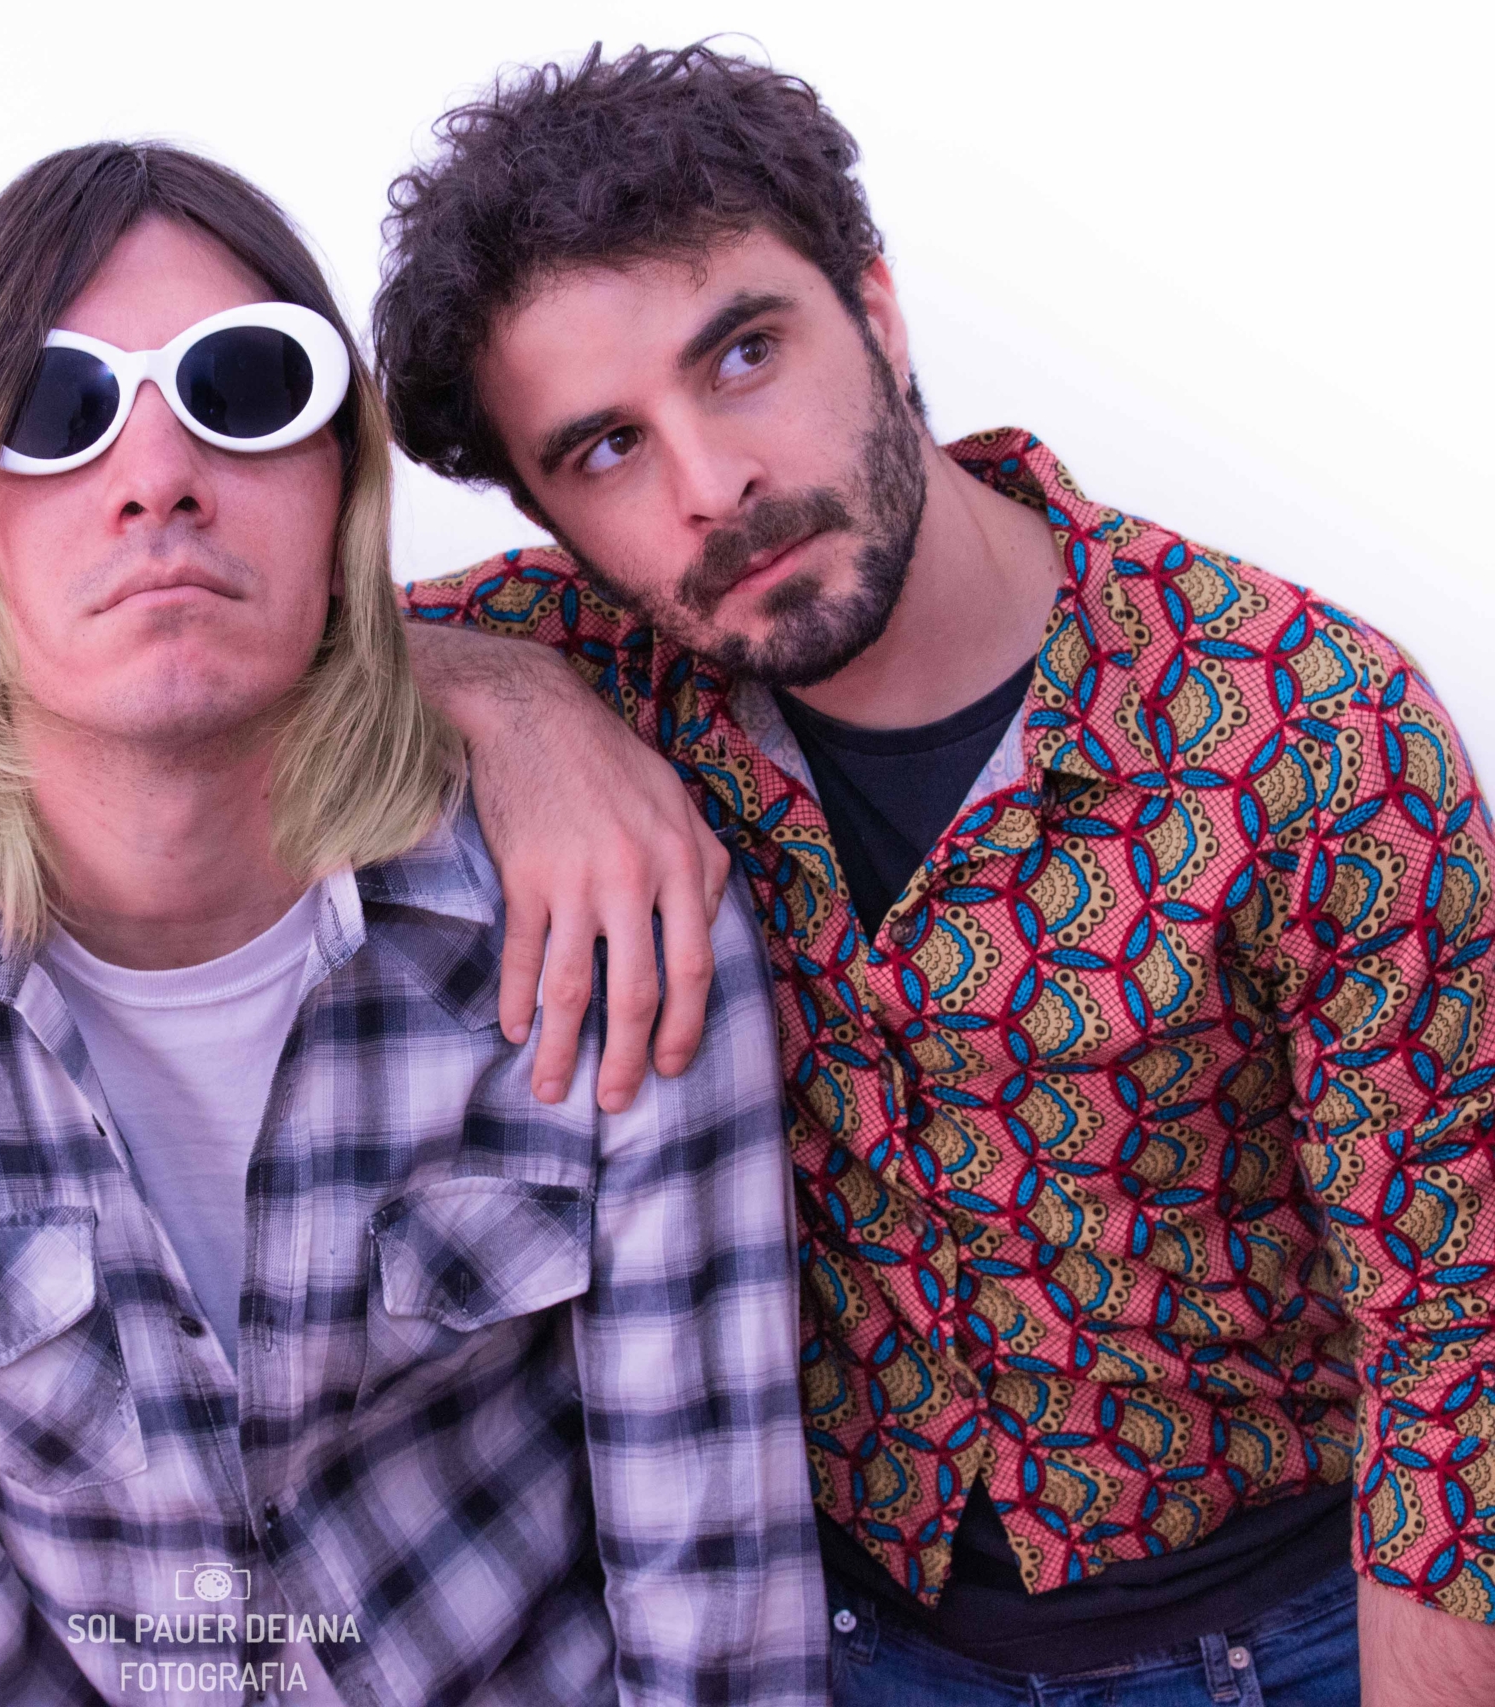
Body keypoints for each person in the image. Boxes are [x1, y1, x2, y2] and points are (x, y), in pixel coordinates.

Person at [375, 40, 1495, 1707]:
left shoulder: (1309, 727)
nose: (712, 488)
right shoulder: (597, 654)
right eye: (604, 449)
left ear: (879, 313)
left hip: (1292, 1640)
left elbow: (1457, 1338)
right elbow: (253, 641)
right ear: (549, 515)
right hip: (829, 1646)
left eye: (744, 354)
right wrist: (518, 709)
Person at [0, 141, 824, 1705]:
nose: (157, 478)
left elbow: (718, 1624)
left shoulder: (596, 914)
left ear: (343, 489)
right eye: (57, 409)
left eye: (246, 388)